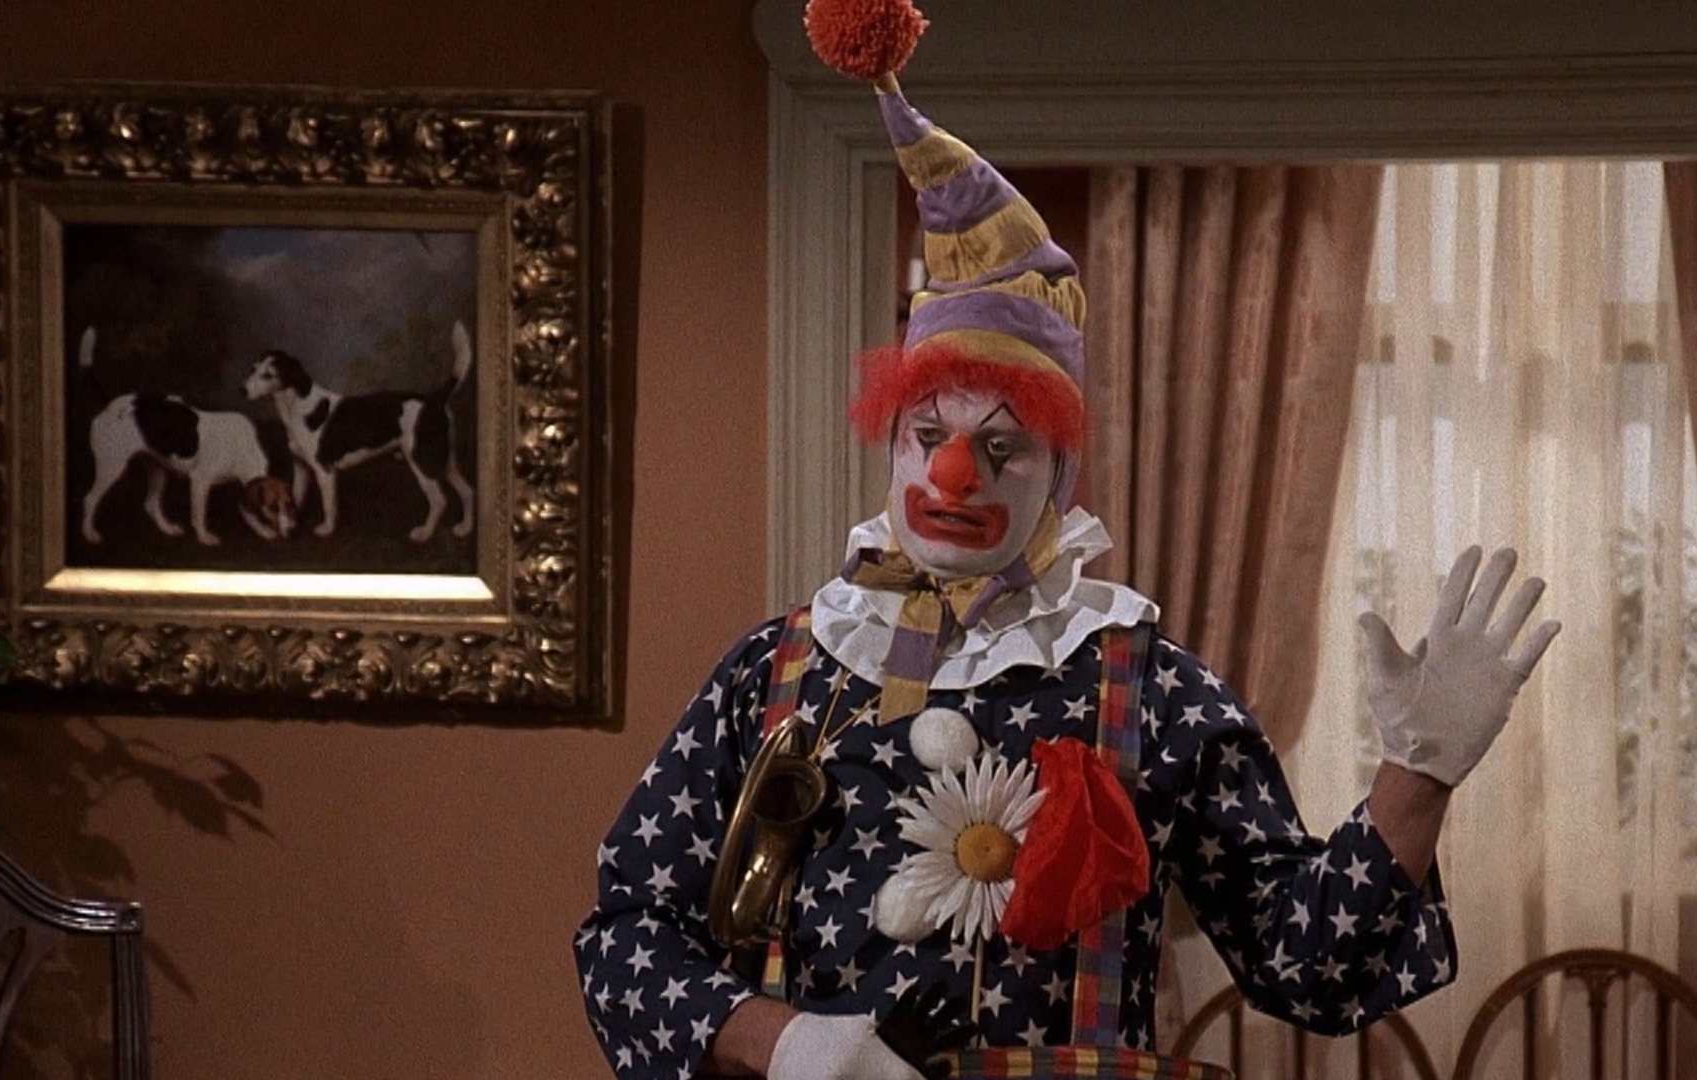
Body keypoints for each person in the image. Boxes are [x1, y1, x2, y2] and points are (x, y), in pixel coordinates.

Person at [573, 4, 1559, 1078]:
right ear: (892, 444)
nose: (955, 477)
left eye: (1002, 449)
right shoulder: (777, 675)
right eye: (929, 438)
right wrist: (788, 1044)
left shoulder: (1155, 691)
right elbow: (626, 938)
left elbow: (1308, 967)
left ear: (1059, 476)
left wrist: (1417, 776)